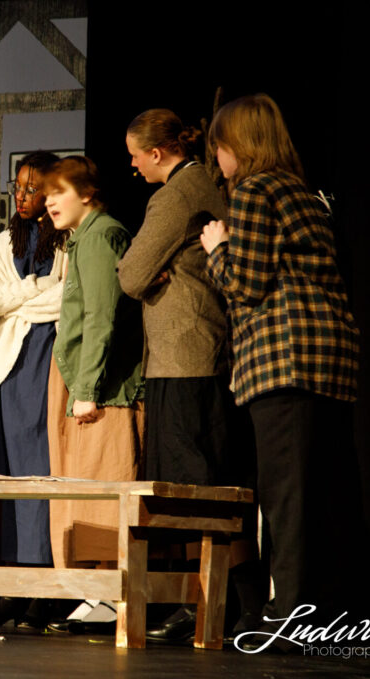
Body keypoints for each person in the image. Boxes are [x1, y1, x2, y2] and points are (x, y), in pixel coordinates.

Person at [201, 94, 360, 640]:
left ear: (237, 148)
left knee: (285, 493)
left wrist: (218, 247)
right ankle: (331, 608)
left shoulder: (255, 189)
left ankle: (292, 616)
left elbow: (247, 282)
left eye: (218, 148)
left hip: (283, 358)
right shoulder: (307, 193)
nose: (217, 160)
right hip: (329, 356)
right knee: (324, 491)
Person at [118, 109, 265, 641]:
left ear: (157, 154)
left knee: (197, 487)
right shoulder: (205, 183)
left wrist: (147, 271)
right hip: (204, 353)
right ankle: (223, 605)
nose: (132, 166)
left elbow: (132, 275)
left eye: (136, 155)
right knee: (211, 484)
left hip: (185, 358)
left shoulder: (175, 195)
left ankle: (227, 606)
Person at [0, 151, 67, 629]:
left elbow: (67, 297)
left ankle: (44, 587)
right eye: (18, 188)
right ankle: (5, 586)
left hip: (48, 357)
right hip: (7, 362)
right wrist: (32, 290)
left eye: (33, 188)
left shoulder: (68, 242)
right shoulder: (4, 242)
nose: (23, 197)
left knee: (39, 468)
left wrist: (22, 297)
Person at [44, 156, 145, 629]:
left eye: (57, 192)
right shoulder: (82, 237)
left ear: (86, 193)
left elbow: (102, 318)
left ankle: (109, 592)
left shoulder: (102, 235)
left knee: (105, 483)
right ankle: (94, 591)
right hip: (83, 377)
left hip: (103, 386)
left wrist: (88, 389)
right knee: (81, 487)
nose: (47, 203)